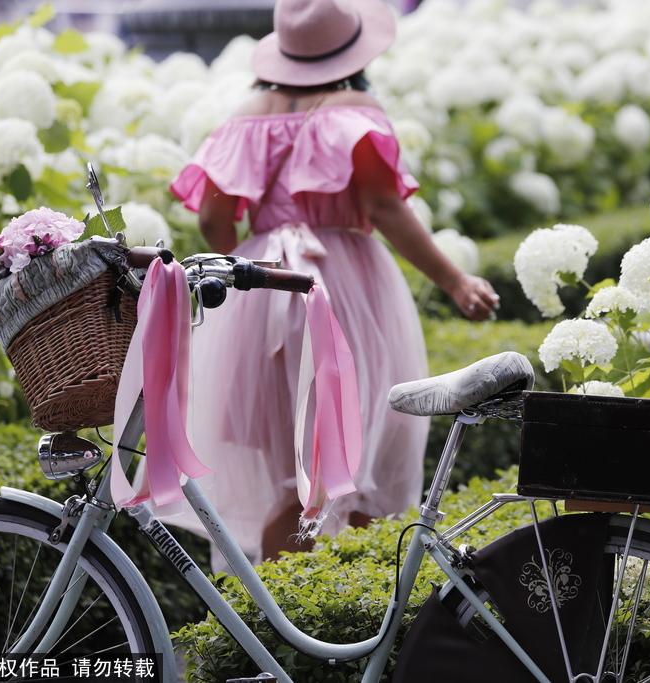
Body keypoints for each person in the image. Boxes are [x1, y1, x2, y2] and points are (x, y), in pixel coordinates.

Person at [169, 0, 499, 564]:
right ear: (352, 52)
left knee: (288, 474)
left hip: (264, 286)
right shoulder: (353, 109)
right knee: (358, 452)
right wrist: (454, 280)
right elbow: (384, 208)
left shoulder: (245, 117)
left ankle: (281, 627)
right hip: (343, 285)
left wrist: (252, 254)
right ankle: (362, 619)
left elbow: (212, 222)